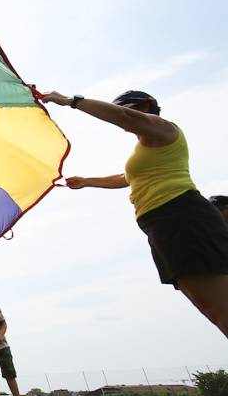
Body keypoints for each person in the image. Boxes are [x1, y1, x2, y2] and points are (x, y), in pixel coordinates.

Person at [41, 90, 228, 338]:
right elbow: (125, 178)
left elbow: (122, 117)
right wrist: (87, 181)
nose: (128, 116)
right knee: (210, 309)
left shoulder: (166, 130)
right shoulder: (145, 151)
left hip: (181, 216)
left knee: (220, 309)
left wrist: (69, 101)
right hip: (159, 224)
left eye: (132, 109)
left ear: (149, 105)